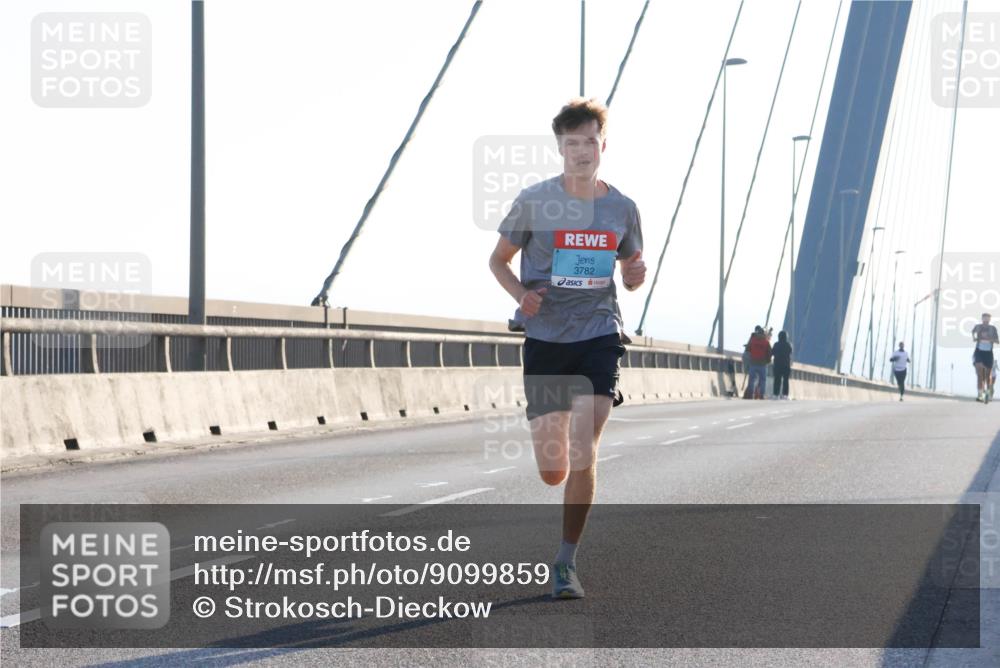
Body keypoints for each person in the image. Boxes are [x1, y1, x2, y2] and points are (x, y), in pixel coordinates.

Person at [488, 98, 645, 599]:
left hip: (600, 334)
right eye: (572, 143)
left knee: (585, 447)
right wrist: (522, 296)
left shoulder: (623, 208)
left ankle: (565, 562)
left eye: (590, 142)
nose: (582, 151)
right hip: (546, 340)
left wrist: (635, 274)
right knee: (553, 469)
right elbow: (498, 261)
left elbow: (632, 270)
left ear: (604, 145)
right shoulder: (534, 201)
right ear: (560, 148)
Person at [972, 313, 999, 403]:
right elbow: (973, 332)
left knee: (988, 376)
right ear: (982, 319)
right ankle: (980, 395)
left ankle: (987, 394)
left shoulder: (993, 329)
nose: (986, 321)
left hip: (988, 353)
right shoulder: (978, 327)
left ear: (990, 320)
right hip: (979, 351)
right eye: (984, 319)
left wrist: (990, 339)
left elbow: (997, 341)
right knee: (980, 374)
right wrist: (975, 338)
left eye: (987, 319)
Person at [745, 326, 772, 400]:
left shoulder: (753, 340)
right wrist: (768, 361)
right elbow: (769, 353)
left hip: (753, 363)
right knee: (763, 380)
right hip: (762, 364)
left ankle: (750, 394)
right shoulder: (766, 342)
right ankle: (761, 395)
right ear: (764, 334)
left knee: (751, 379)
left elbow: (747, 349)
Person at [771, 330, 792, 399]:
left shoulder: (776, 344)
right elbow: (790, 352)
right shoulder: (788, 345)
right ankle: (785, 395)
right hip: (786, 365)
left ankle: (775, 394)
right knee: (786, 381)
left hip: (777, 365)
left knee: (777, 380)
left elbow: (772, 353)